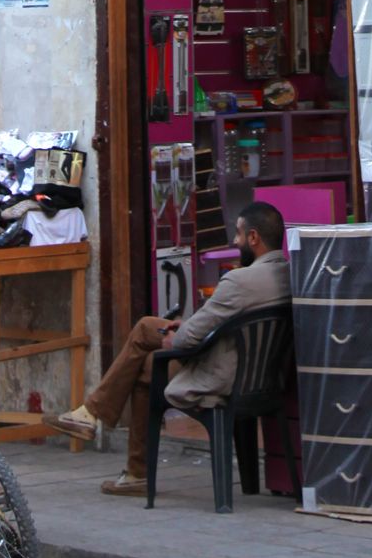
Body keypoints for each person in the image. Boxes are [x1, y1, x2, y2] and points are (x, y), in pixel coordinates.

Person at [57, 198, 291, 495]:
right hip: (263, 378)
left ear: (254, 238)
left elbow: (189, 338)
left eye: (239, 234)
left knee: (145, 333)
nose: (235, 241)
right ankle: (127, 463)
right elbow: (208, 323)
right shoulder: (286, 273)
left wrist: (175, 337)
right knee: (147, 365)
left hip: (225, 376)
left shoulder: (239, 280)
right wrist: (184, 330)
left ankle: (94, 417)